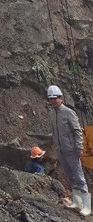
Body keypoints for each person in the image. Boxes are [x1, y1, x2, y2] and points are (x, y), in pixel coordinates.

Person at [47, 85, 90, 216]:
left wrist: (79, 147)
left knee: (79, 177)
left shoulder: (68, 112)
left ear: (61, 98)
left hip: (72, 150)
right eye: (50, 99)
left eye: (55, 98)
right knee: (71, 177)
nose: (53, 101)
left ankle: (87, 206)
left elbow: (77, 131)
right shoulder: (52, 114)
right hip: (61, 151)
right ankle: (77, 202)